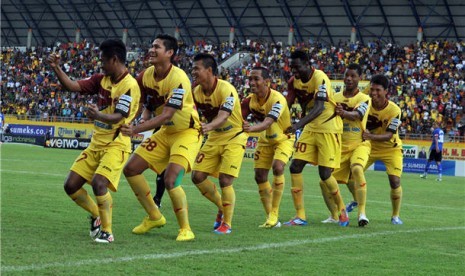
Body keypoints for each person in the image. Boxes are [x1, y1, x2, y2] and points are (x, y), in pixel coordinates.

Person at [46, 39, 141, 243]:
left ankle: (107, 232)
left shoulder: (129, 85)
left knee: (99, 183)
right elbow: (72, 86)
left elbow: (119, 116)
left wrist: (97, 116)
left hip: (117, 144)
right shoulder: (101, 79)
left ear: (114, 60)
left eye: (103, 61)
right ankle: (97, 216)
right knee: (70, 185)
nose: (100, 64)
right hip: (96, 143)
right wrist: (56, 68)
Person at [121, 34, 202, 242]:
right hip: (166, 132)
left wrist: (136, 129)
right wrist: (130, 117)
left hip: (187, 132)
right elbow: (138, 102)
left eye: (157, 46)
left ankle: (186, 229)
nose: (152, 49)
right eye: (151, 45)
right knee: (130, 169)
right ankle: (154, 216)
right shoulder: (145, 75)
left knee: (171, 179)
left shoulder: (179, 78)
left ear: (170, 53)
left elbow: (166, 115)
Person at [284, 50, 348, 227]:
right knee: (295, 166)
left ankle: (342, 210)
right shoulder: (293, 82)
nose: (294, 71)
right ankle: (300, 216)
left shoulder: (320, 78)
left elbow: (319, 107)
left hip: (328, 127)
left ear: (307, 64)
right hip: (311, 127)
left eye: (297, 67)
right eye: (292, 67)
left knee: (325, 173)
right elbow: (286, 105)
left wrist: (297, 125)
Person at [191, 53, 248, 234]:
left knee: (225, 180)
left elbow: (224, 116)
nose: (193, 72)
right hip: (214, 137)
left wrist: (208, 126)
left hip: (234, 136)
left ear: (209, 70)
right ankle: (222, 208)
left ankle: (227, 224)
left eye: (196, 69)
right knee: (197, 176)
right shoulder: (195, 91)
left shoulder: (227, 89)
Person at [241, 66, 295, 228]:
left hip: (283, 139)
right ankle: (271, 218)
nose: (252, 82)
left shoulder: (278, 99)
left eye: (256, 79)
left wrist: (250, 128)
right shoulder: (248, 100)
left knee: (278, 167)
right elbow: (236, 117)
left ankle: (274, 213)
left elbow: (268, 121)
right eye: (250, 79)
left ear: (267, 82)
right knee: (259, 176)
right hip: (265, 140)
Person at [327, 63, 371, 227]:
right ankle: (335, 215)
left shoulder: (364, 98)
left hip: (360, 144)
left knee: (357, 169)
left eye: (353, 76)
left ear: (360, 78)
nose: (349, 79)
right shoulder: (335, 97)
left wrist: (343, 112)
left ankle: (362, 213)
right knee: (324, 181)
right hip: (339, 146)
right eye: (347, 75)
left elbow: (358, 114)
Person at [363, 74, 404, 225]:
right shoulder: (365, 103)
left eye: (378, 90)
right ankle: (357, 200)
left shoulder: (395, 110)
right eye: (372, 89)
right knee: (352, 173)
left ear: (386, 91)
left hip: (390, 149)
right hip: (369, 146)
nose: (374, 93)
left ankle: (395, 216)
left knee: (394, 181)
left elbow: (388, 135)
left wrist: (369, 136)